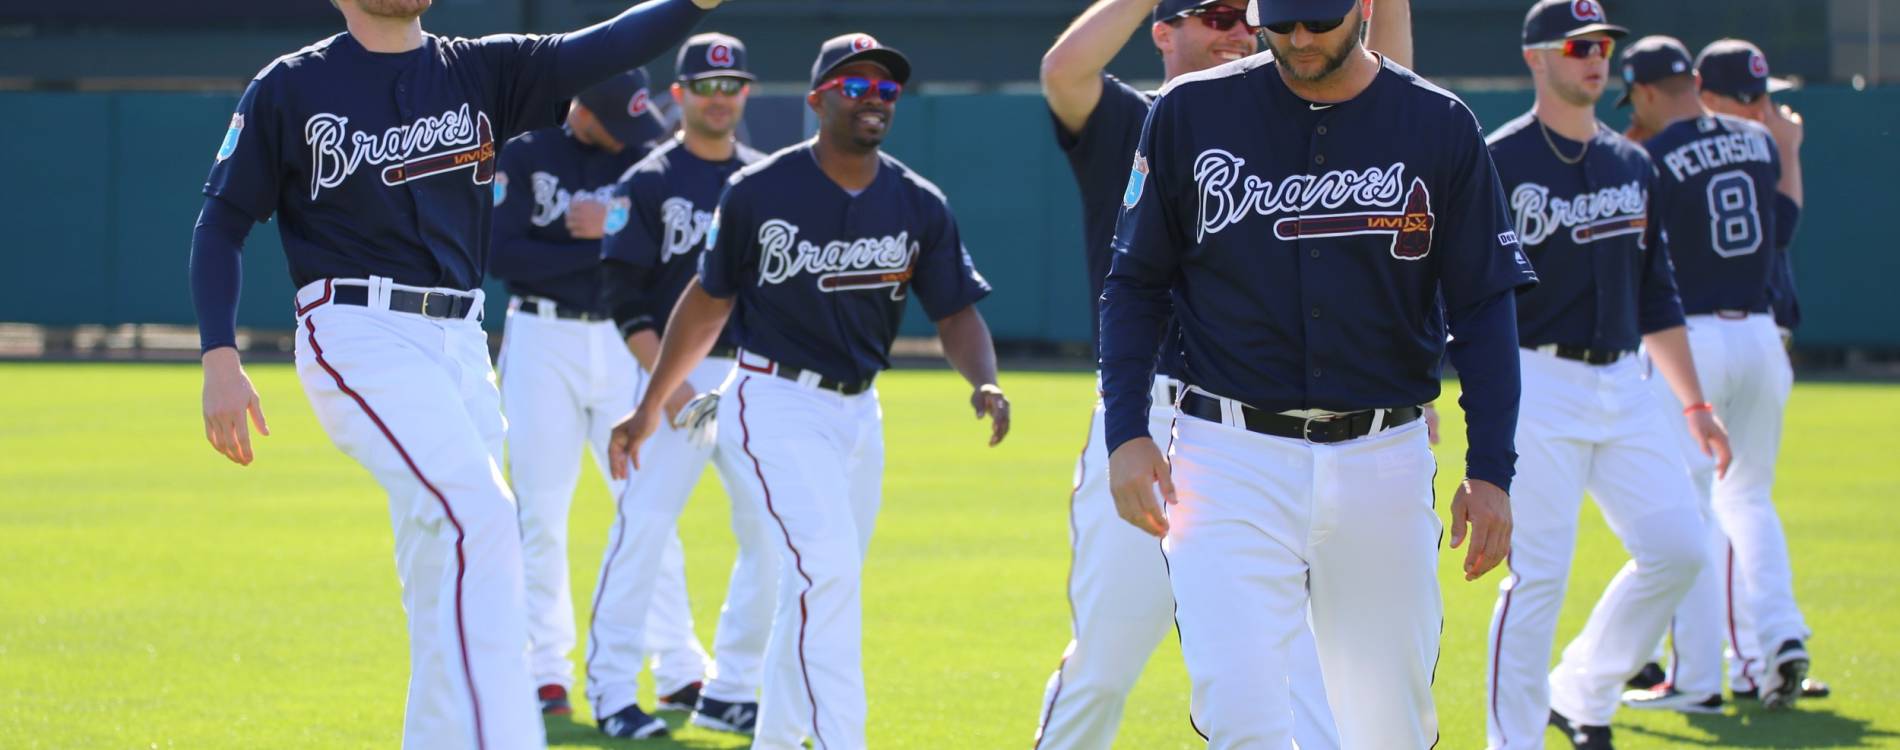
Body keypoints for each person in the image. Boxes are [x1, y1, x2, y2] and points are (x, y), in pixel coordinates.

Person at [190, 0, 722, 746]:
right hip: (358, 327)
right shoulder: (290, 87)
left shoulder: (480, 68)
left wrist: (689, 5)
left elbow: (602, 48)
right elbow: (221, 221)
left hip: (462, 341)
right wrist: (220, 354)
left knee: (444, 563)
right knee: (483, 516)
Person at [1101, 0, 1536, 745]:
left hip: (1382, 455)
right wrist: (1125, 433)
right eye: (1283, 20)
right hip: (1226, 452)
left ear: (1362, 8)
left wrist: (1491, 468)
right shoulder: (1191, 111)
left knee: (1387, 725)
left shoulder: (1437, 122)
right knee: (1239, 709)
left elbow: (1485, 308)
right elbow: (1135, 284)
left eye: (1319, 21)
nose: (1299, 39)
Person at [606, 33, 1009, 750]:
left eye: (885, 89)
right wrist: (647, 407)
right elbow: (708, 302)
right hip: (774, 400)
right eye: (855, 88)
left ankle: (779, 737)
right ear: (819, 98)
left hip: (860, 411)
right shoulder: (761, 189)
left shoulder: (917, 200)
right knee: (826, 575)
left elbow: (954, 309)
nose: (874, 100)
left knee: (815, 585)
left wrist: (984, 380)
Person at [1033, 0, 1412, 746]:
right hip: (1148, 411)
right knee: (1107, 661)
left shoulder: (1291, 124)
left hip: (1270, 433)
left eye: (1243, 14)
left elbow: (1396, 89)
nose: (1233, 29)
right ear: (1162, 31)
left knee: (1303, 673)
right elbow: (1064, 71)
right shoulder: (1132, 122)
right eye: (1209, 15)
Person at [1480, 4, 1730, 748]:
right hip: (1535, 379)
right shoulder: (1498, 161)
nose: (1597, 57)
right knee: (1539, 579)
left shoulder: (1633, 162)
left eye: (1604, 46)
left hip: (1626, 383)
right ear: (1537, 57)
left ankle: (1582, 689)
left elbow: (1658, 293)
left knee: (1680, 549)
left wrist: (1695, 403)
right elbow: (1466, 291)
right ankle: (1513, 740)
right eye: (1579, 45)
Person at [488, 66, 714, 735]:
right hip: (540, 341)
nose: (627, 135)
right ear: (582, 106)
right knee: (541, 511)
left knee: (646, 505)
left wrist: (603, 240)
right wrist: (594, 242)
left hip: (623, 343)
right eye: (617, 119)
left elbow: (652, 269)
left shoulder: (643, 160)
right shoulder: (528, 152)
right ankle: (545, 671)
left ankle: (679, 665)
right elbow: (503, 256)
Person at [1615, 36, 1825, 714]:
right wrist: (1788, 147)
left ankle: (1698, 676)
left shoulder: (1644, 157)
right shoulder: (1755, 141)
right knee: (1750, 500)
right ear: (1696, 80)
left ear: (1645, 91)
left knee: (1689, 513)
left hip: (1690, 341)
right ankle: (1773, 643)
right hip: (1762, 335)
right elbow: (1785, 225)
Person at [589, 32, 778, 738]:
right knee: (643, 529)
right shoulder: (645, 181)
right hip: (667, 371)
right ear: (681, 94)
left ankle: (730, 685)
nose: (720, 98)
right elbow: (623, 297)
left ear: (746, 93)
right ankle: (611, 691)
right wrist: (665, 390)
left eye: (731, 86)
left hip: (749, 375)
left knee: (769, 531)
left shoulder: (765, 179)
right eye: (706, 86)